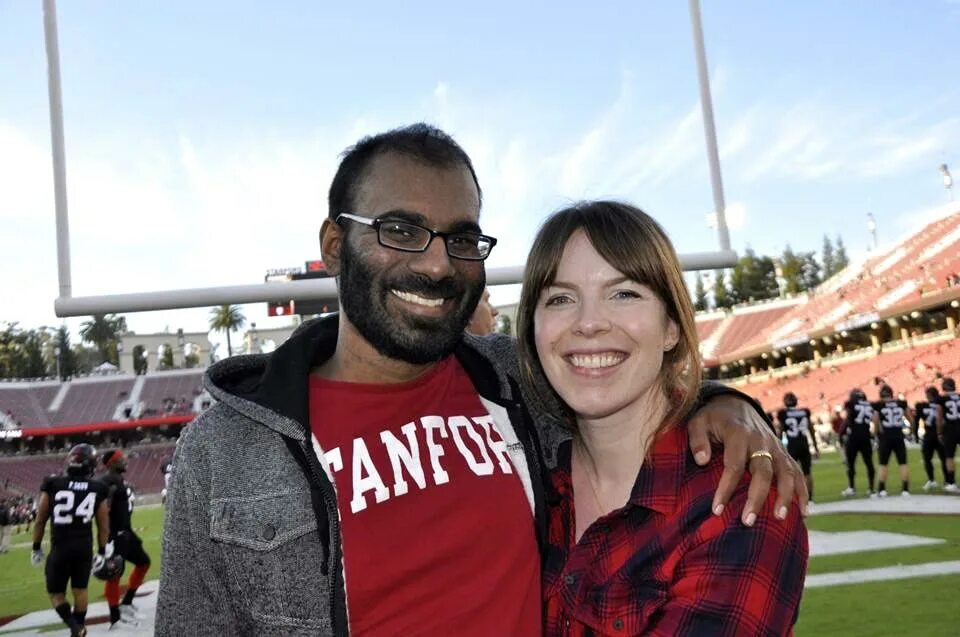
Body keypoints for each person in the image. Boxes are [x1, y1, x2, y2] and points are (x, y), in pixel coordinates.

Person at [157, 123, 805, 636]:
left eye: (462, 240)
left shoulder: (512, 382)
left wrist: (726, 403)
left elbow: (626, 370)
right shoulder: (226, 450)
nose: (438, 264)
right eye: (401, 230)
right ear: (333, 245)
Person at [516, 201, 807, 636]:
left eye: (624, 293)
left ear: (671, 327)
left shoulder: (738, 494)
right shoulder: (524, 484)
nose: (589, 322)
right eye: (560, 298)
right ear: (532, 329)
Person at [30, 443, 111, 637]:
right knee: (80, 590)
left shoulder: (53, 483)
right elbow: (103, 525)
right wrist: (101, 551)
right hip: (84, 547)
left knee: (56, 594)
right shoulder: (98, 487)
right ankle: (80, 629)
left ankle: (75, 628)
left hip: (60, 547)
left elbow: (40, 520)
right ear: (90, 464)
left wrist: (36, 547)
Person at [100, 449, 151, 628]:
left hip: (126, 531)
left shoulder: (118, 480)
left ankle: (127, 603)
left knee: (144, 562)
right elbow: (103, 510)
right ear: (111, 463)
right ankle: (115, 619)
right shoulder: (107, 481)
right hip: (115, 535)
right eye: (121, 459)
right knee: (114, 575)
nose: (126, 461)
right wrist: (105, 539)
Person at [777, 392, 819, 504]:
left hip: (792, 444)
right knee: (807, 473)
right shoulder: (804, 412)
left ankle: (795, 498)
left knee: (791, 473)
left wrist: (778, 446)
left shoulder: (783, 413)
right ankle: (809, 499)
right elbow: (811, 429)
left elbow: (780, 431)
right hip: (804, 443)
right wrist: (815, 446)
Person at [871, 385, 911, 496]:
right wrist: (911, 432)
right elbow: (910, 418)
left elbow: (875, 420)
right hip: (898, 436)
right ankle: (905, 489)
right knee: (903, 463)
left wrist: (874, 435)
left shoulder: (879, 405)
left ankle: (882, 489)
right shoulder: (901, 403)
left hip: (885, 438)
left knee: (883, 464)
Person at [841, 388, 876, 497]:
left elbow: (848, 419)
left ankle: (851, 487)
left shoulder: (851, 405)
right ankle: (871, 488)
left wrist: (841, 433)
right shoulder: (870, 405)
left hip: (854, 437)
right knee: (869, 463)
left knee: (850, 464)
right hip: (866, 436)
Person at [915, 386, 946, 491]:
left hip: (930, 435)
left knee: (927, 459)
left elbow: (916, 421)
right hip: (941, 434)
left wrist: (915, 435)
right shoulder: (942, 404)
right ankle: (948, 481)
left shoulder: (921, 406)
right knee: (944, 459)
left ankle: (932, 480)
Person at [939, 377, 960, 492]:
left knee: (949, 457)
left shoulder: (942, 399)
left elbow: (939, 416)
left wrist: (939, 432)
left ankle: (951, 482)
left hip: (950, 430)